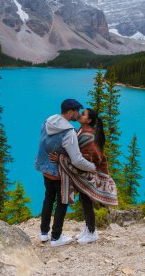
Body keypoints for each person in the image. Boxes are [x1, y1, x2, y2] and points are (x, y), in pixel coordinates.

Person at [50, 108, 118, 245]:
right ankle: (88, 229)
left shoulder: (88, 137)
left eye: (83, 114)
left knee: (87, 202)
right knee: (84, 199)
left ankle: (92, 232)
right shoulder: (81, 130)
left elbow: (82, 159)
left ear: (89, 120)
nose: (80, 115)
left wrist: (61, 158)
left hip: (89, 173)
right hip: (86, 172)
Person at [35, 99, 96, 247]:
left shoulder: (48, 121)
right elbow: (77, 160)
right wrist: (92, 167)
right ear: (70, 112)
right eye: (77, 111)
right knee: (62, 203)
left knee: (48, 199)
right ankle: (56, 237)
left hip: (45, 169)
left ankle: (44, 233)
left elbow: (44, 143)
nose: (78, 114)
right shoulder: (68, 132)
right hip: (59, 173)